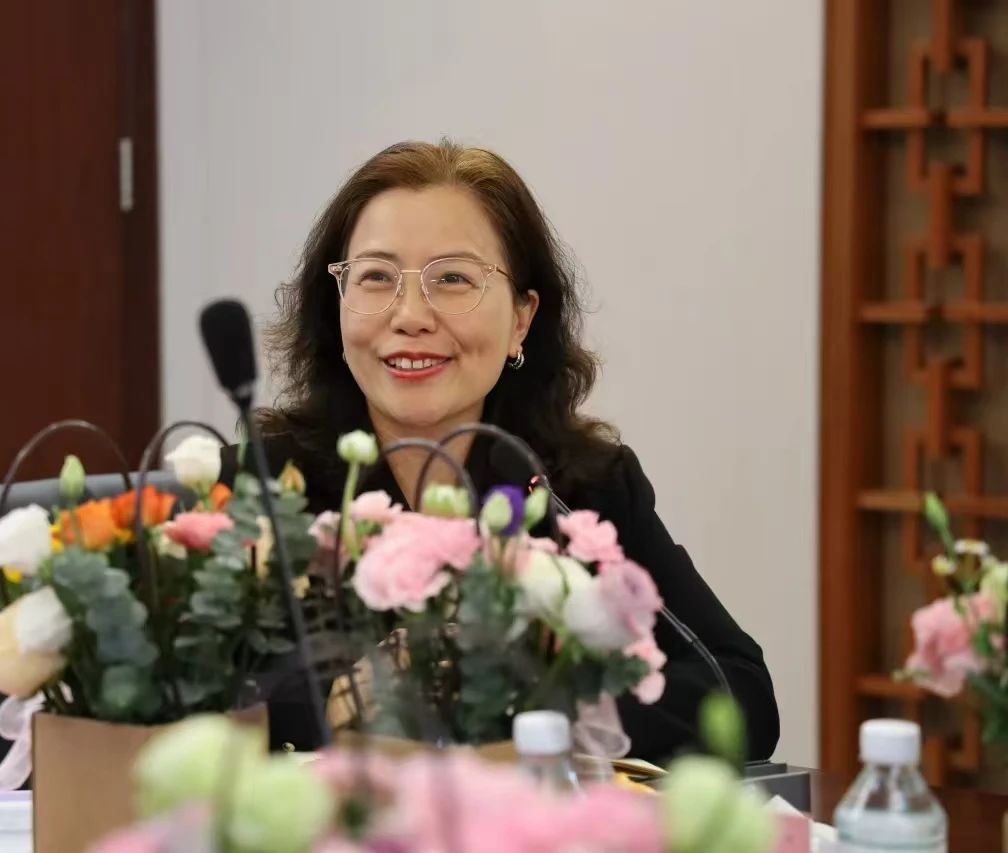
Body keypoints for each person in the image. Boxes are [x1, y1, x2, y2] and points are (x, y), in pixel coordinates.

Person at [222, 139, 779, 764]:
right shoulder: (264, 486)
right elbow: (199, 692)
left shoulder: (583, 488)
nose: (410, 316)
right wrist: (341, 701)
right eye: (376, 277)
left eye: (453, 279)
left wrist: (533, 717)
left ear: (521, 318)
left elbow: (740, 691)